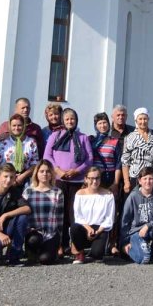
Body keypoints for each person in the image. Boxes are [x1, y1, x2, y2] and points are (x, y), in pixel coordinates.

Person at [45, 107, 93, 252]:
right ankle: (60, 244)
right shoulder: (55, 136)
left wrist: (77, 170)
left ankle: (75, 244)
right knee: (60, 213)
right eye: (67, 119)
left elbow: (89, 158)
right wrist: (58, 170)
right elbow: (47, 156)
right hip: (60, 180)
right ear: (63, 121)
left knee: (75, 213)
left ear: (76, 120)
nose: (70, 121)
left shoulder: (83, 137)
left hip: (77, 181)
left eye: (72, 119)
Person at [121, 166, 153, 264]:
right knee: (144, 259)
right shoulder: (133, 196)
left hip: (152, 229)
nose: (148, 181)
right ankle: (130, 250)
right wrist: (124, 242)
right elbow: (125, 221)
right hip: (137, 232)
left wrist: (149, 225)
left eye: (150, 178)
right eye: (145, 179)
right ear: (139, 181)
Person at [69, 166, 115, 264]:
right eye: (91, 178)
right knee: (74, 228)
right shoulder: (79, 194)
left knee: (97, 255)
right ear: (86, 179)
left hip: (100, 229)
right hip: (85, 227)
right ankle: (80, 252)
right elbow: (78, 216)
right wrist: (88, 228)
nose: (94, 181)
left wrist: (98, 231)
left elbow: (109, 218)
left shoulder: (108, 195)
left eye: (97, 178)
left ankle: (95, 251)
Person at [23, 159, 65, 265]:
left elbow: (60, 217)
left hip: (51, 233)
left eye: (48, 171)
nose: (45, 174)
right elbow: (24, 215)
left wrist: (59, 240)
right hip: (34, 232)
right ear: (36, 173)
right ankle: (32, 252)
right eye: (41, 171)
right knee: (33, 241)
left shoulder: (58, 192)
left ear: (52, 174)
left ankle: (50, 251)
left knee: (45, 260)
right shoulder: (28, 191)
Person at [121, 108, 153, 193]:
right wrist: (126, 182)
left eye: (145, 119)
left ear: (148, 119)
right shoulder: (130, 137)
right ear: (136, 120)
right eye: (140, 119)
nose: (143, 121)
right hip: (136, 178)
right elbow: (125, 162)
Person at [0, 112, 39, 187]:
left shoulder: (31, 142)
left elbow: (34, 164)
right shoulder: (3, 141)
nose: (16, 128)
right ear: (10, 126)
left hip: (23, 179)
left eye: (19, 125)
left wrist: (22, 177)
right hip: (4, 179)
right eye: (14, 125)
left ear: (24, 126)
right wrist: (8, 175)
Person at [91, 112, 124, 192]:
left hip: (109, 178)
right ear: (95, 126)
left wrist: (115, 183)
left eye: (104, 122)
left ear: (108, 124)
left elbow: (118, 164)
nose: (103, 126)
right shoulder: (91, 141)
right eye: (100, 123)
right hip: (94, 178)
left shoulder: (115, 141)